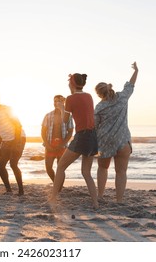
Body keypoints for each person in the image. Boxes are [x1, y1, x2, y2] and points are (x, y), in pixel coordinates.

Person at [49, 73, 99, 209]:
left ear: (72, 84)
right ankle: (95, 203)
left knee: (60, 167)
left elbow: (65, 121)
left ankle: (53, 198)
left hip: (82, 136)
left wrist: (61, 108)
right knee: (86, 173)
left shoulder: (70, 99)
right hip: (93, 137)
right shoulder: (89, 96)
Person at [95, 62, 139, 203]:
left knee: (102, 168)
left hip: (105, 142)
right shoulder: (122, 98)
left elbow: (95, 126)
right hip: (123, 141)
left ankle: (100, 196)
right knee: (121, 172)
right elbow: (130, 85)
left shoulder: (99, 106)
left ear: (98, 94)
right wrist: (136, 71)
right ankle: (119, 200)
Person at [0, 90, 26, 196]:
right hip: (6, 141)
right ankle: (8, 189)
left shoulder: (6, 109)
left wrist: (16, 143)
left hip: (19, 138)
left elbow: (18, 126)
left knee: (13, 164)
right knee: (0, 165)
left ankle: (21, 191)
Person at [41, 95, 74, 182]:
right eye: (55, 101)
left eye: (59, 101)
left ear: (63, 103)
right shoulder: (48, 115)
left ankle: (59, 188)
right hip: (50, 144)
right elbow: (43, 132)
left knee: (61, 168)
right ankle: (56, 183)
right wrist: (47, 145)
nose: (56, 103)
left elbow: (70, 131)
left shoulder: (68, 116)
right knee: (48, 168)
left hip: (62, 145)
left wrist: (63, 144)